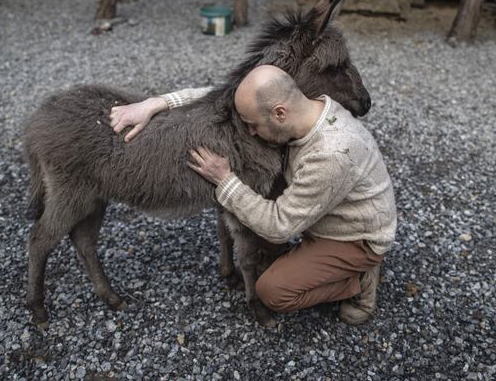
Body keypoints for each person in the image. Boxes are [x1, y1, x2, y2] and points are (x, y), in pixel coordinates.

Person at [109, 65, 397, 324]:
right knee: (262, 242)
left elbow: (279, 226)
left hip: (352, 235)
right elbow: (218, 98)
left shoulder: (331, 154)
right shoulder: (300, 101)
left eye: (253, 125)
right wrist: (157, 103)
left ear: (279, 114)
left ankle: (357, 282)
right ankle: (314, 264)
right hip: (321, 211)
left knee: (273, 291)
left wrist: (225, 181)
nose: (251, 133)